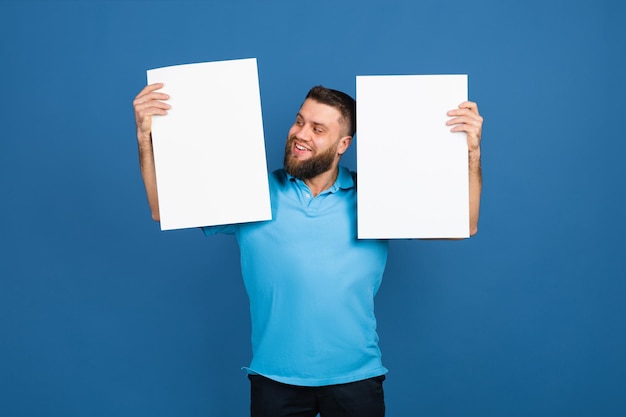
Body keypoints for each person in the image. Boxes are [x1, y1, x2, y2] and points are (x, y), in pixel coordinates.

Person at [133, 83, 483, 417]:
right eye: (299, 121)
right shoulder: (253, 192)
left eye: (318, 129)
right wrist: (146, 138)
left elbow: (463, 226)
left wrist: (471, 153)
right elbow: (162, 208)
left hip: (356, 381)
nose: (301, 134)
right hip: (274, 380)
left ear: (343, 143)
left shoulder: (375, 197)